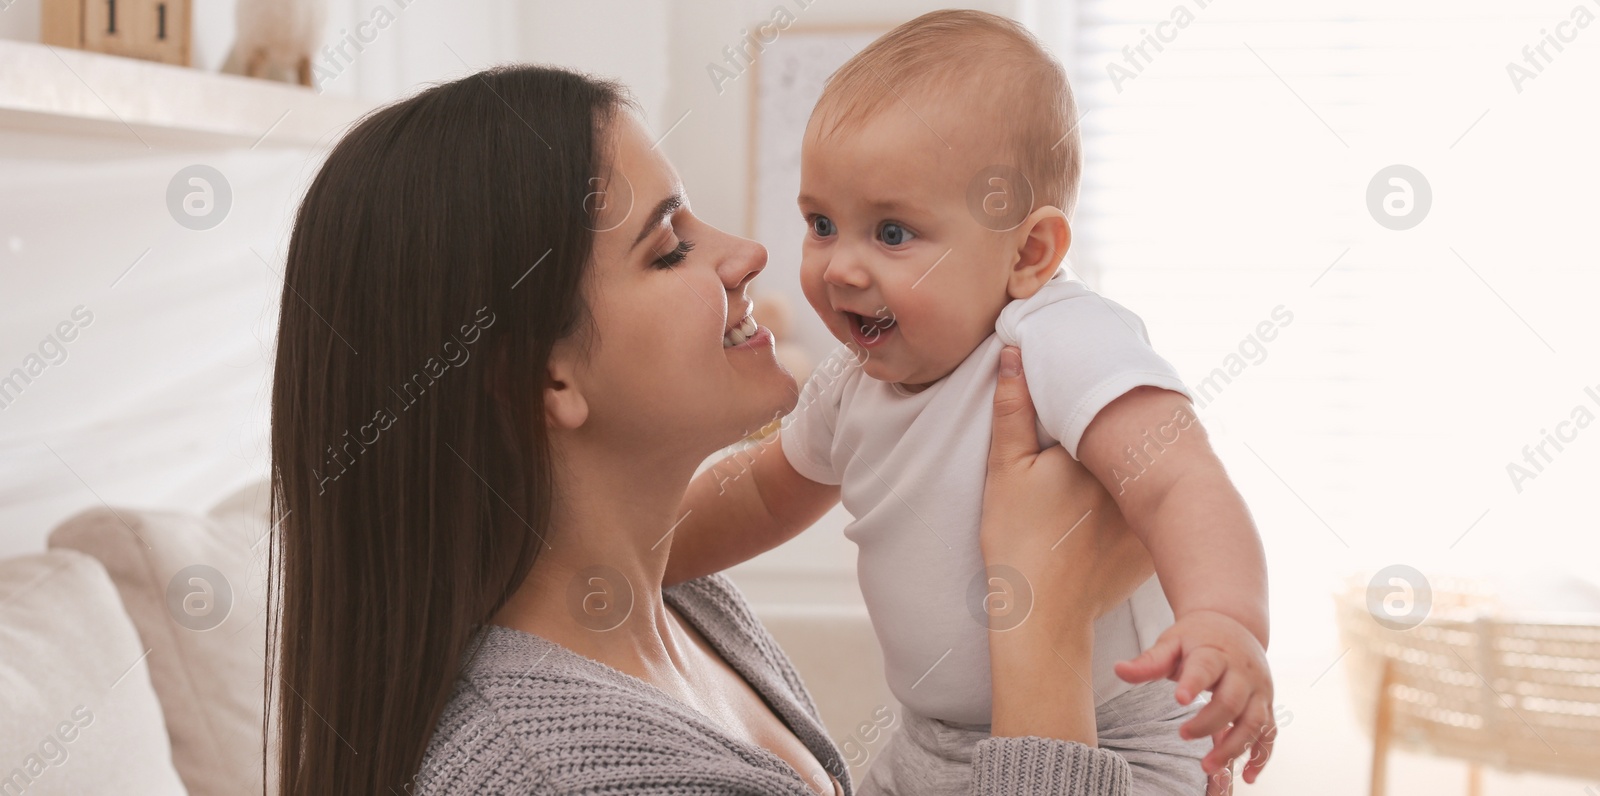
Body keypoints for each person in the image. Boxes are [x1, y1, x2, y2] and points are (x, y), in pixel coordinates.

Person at [265, 63, 1215, 795]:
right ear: (544, 375)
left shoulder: (681, 607)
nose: (751, 254)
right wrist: (1041, 621)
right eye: (670, 246)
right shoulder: (556, 771)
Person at [663, 10, 1274, 795]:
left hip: (1120, 736)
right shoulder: (853, 383)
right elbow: (757, 491)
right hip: (928, 741)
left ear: (1028, 254)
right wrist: (636, 554)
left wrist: (1225, 619)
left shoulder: (1057, 339)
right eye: (821, 223)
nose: (840, 268)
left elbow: (1182, 479)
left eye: (891, 232)